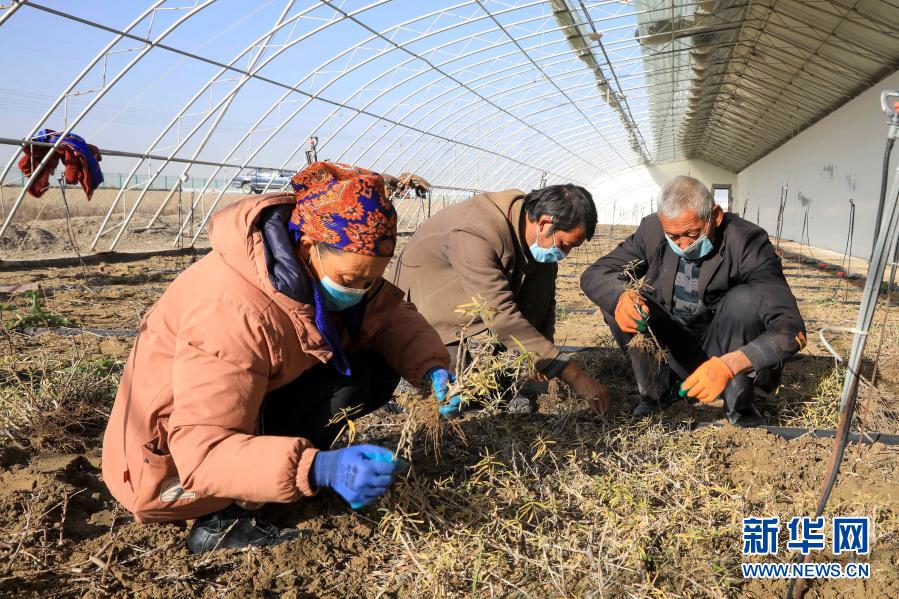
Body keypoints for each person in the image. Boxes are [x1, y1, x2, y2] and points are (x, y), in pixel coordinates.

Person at [102, 162, 454, 552]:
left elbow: (386, 313)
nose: (361, 290)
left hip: (235, 420)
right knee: (344, 388)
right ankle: (220, 521)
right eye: (352, 280)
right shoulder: (232, 310)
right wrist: (318, 467)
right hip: (169, 468)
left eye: (372, 279)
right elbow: (202, 453)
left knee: (366, 373)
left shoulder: (311, 270)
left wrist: (432, 366)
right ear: (308, 247)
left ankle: (279, 473)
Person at [580, 175, 806, 425]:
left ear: (716, 216)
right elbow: (597, 274)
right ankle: (657, 394)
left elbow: (790, 327)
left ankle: (739, 403)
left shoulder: (746, 242)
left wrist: (731, 364)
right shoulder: (652, 230)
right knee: (621, 304)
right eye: (674, 237)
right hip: (672, 344)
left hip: (723, 345)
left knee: (745, 301)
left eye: (692, 233)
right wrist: (621, 298)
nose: (684, 245)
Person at [391, 184, 611, 416]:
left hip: (469, 297)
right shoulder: (474, 231)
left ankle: (507, 384)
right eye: (565, 244)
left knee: (543, 274)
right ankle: (417, 380)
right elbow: (501, 314)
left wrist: (541, 357)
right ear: (545, 223)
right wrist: (573, 374)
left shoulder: (529, 232)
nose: (565, 254)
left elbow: (544, 301)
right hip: (423, 307)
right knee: (458, 394)